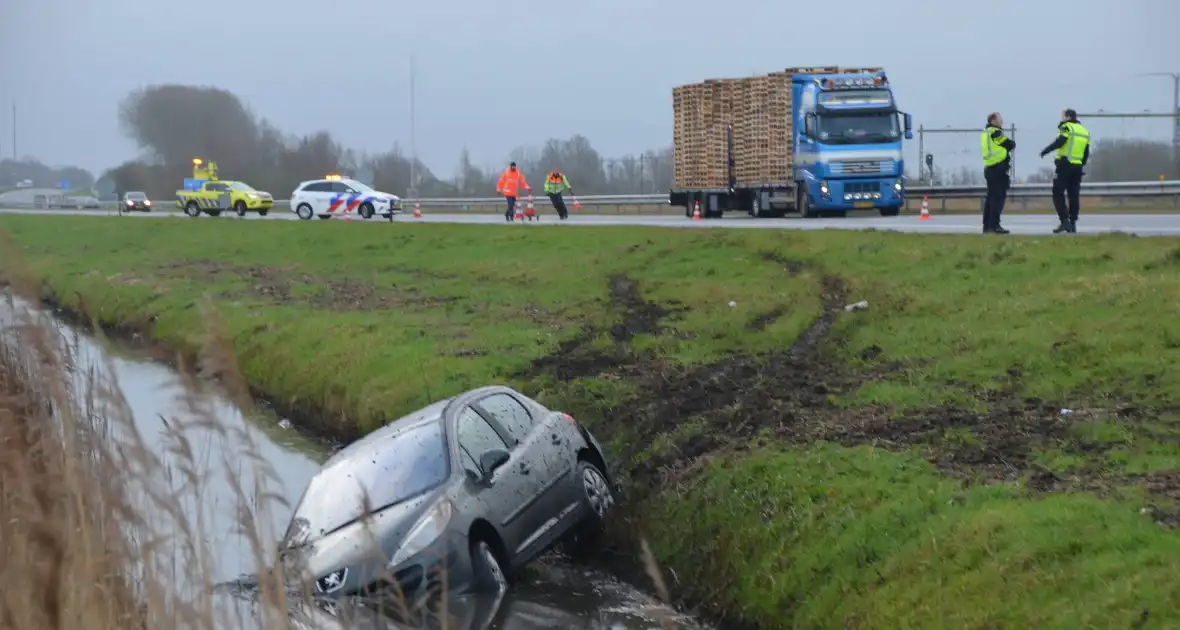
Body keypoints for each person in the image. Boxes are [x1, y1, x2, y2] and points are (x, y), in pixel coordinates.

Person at [1039, 108, 1091, 234]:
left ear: (1067, 117)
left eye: (1062, 116)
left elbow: (1061, 141)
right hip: (1077, 167)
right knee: (1074, 195)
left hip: (1065, 165)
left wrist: (1045, 151)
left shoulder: (1066, 127)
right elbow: (1086, 152)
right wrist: (1080, 164)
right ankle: (1072, 223)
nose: (1061, 119)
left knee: (1057, 193)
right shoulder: (1084, 131)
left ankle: (1064, 221)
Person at [981, 112, 1015, 234]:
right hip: (998, 168)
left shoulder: (986, 133)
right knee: (998, 198)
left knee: (991, 198)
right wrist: (1010, 144)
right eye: (1000, 119)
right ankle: (995, 225)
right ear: (993, 121)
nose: (1002, 122)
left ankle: (988, 226)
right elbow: (1010, 144)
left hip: (990, 168)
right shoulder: (995, 132)